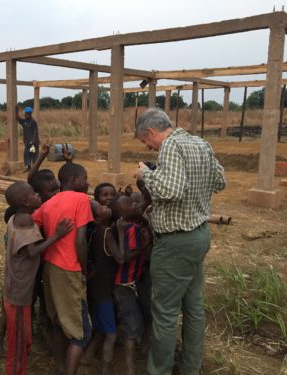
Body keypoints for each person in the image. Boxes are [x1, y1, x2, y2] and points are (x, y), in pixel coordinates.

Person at [133, 108, 226, 375]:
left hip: (176, 242)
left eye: (145, 141)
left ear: (151, 132)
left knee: (164, 312)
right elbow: (220, 182)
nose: (148, 147)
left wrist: (145, 174)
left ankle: (158, 370)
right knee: (193, 306)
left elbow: (171, 190)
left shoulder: (170, 146)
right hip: (199, 235)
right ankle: (189, 368)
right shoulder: (200, 143)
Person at [3, 181, 73, 375]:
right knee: (17, 341)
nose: (38, 196)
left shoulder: (18, 216)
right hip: (19, 291)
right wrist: (57, 235)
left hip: (17, 288)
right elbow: (33, 251)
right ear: (26, 201)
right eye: (34, 194)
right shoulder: (25, 220)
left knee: (22, 336)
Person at [33, 162, 93, 375]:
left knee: (58, 322)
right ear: (75, 180)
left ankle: (59, 366)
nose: (87, 182)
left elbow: (33, 222)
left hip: (50, 267)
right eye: (85, 177)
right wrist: (85, 270)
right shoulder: (81, 199)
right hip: (69, 269)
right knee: (81, 333)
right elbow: (80, 241)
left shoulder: (48, 203)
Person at [109, 184, 152, 375]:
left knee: (133, 322)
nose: (135, 204)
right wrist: (146, 245)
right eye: (130, 203)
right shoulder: (132, 229)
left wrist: (144, 191)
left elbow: (144, 204)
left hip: (127, 283)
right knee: (131, 326)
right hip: (125, 284)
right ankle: (130, 368)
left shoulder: (132, 223)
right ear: (123, 215)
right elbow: (126, 256)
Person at [81, 199, 123, 375]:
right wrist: (120, 233)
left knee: (100, 328)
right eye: (101, 208)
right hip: (104, 291)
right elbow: (120, 259)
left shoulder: (94, 232)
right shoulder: (107, 233)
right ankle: (106, 369)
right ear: (96, 219)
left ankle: (88, 356)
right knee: (111, 335)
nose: (105, 206)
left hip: (95, 286)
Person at [16, 106, 39, 172]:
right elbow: (18, 118)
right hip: (27, 141)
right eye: (26, 113)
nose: (26, 115)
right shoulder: (24, 122)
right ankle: (29, 167)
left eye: (28, 114)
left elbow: (35, 132)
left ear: (30, 114)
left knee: (35, 155)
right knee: (26, 154)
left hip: (34, 142)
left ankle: (35, 169)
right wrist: (16, 110)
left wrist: (33, 141)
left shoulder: (33, 122)